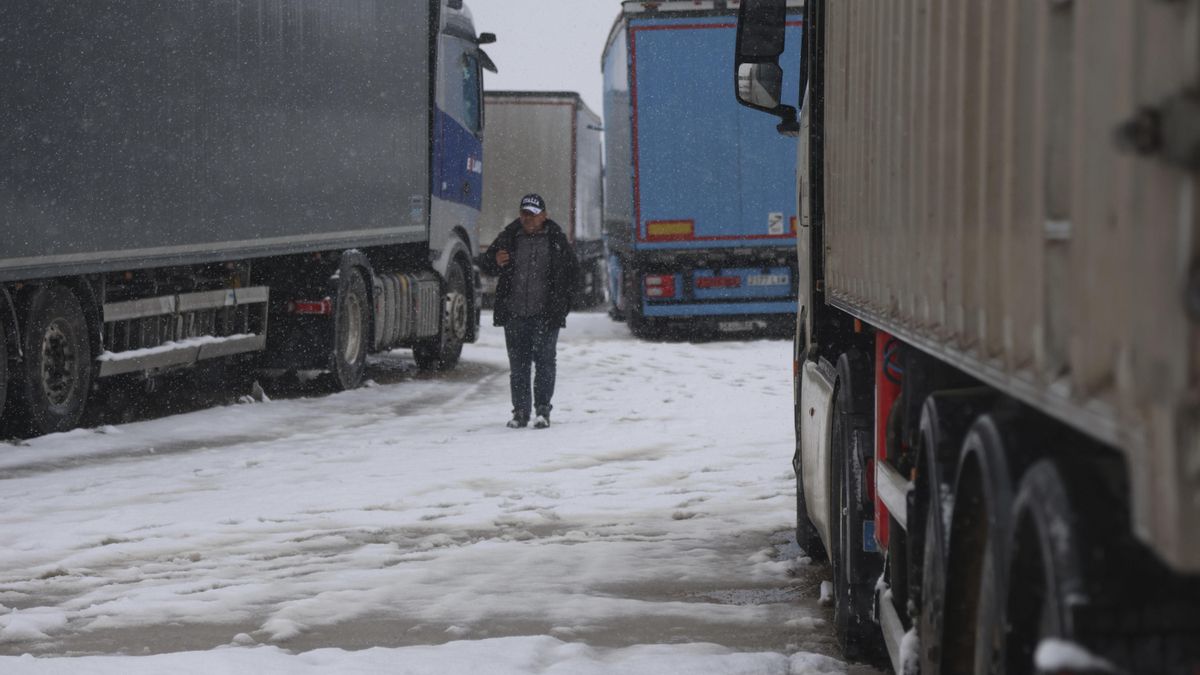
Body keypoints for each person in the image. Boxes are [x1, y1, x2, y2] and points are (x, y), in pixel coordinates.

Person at [479, 194, 580, 429]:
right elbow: (485, 264)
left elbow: (573, 274)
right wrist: (495, 260)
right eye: (524, 214)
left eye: (533, 215)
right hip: (515, 315)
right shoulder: (509, 237)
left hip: (545, 315)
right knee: (518, 367)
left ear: (544, 216)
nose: (528, 219)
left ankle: (543, 410)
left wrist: (562, 306)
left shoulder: (556, 240)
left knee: (545, 363)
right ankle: (520, 412)